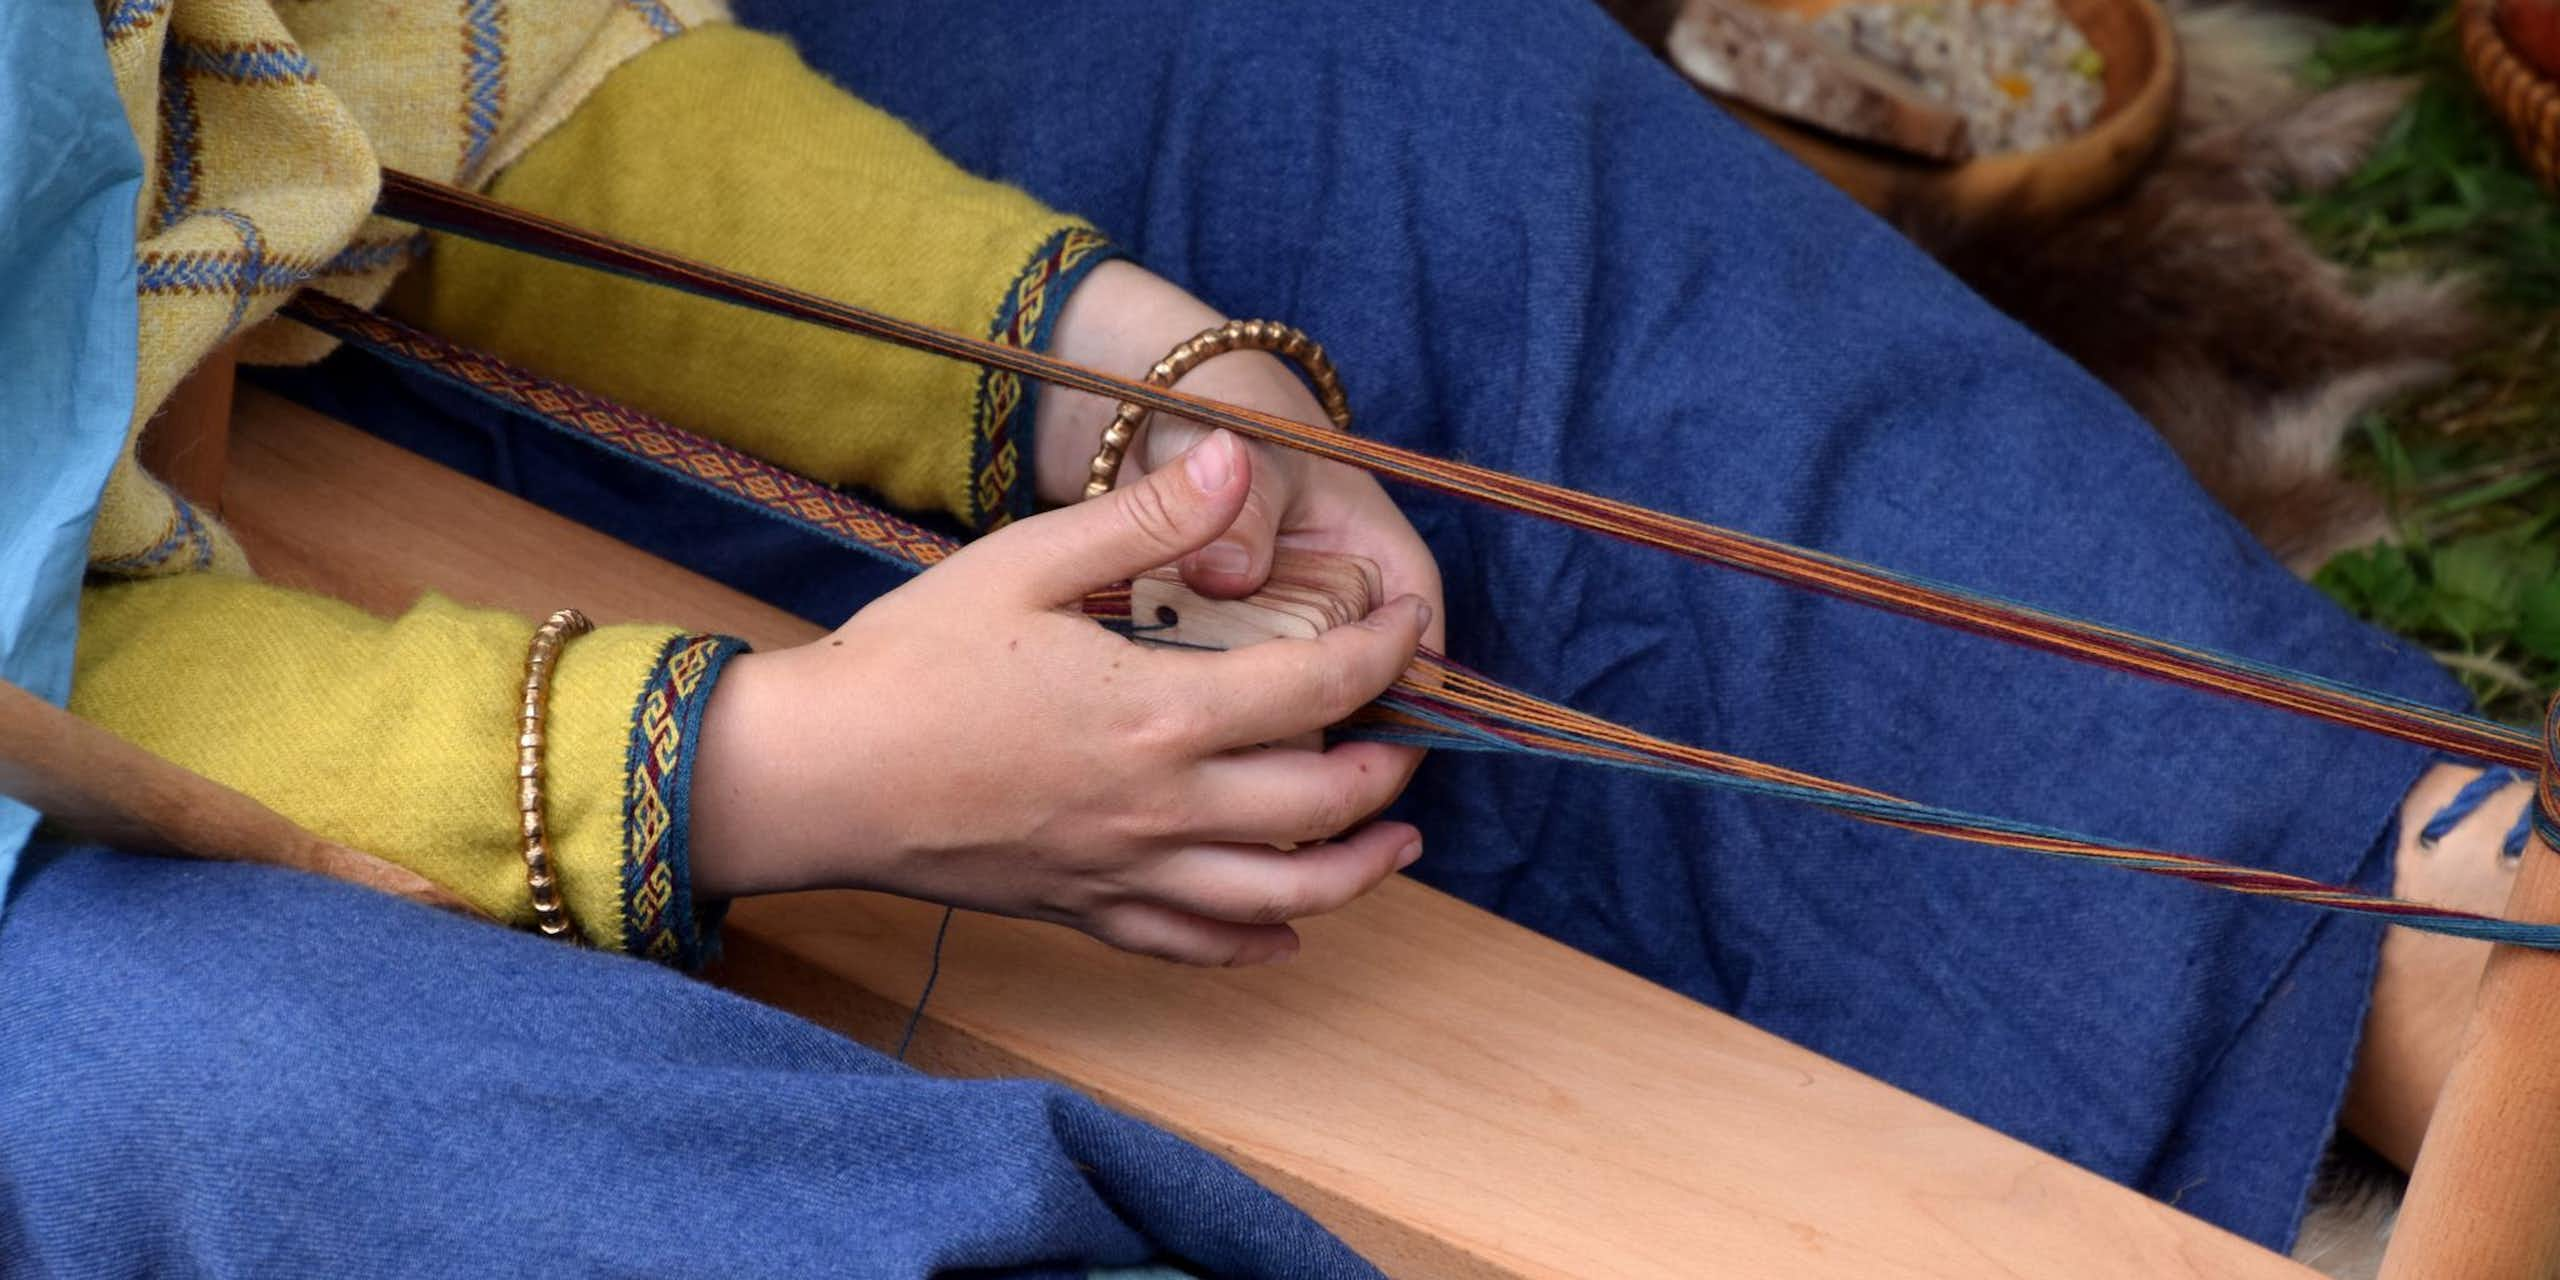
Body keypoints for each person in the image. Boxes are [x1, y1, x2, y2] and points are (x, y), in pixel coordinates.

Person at [0, 0, 2531, 1270]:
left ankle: (2362, 906)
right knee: (259, 1099)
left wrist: (1104, 365)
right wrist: (760, 776)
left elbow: (440, 51)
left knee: (1349, 89)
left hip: (253, 275)